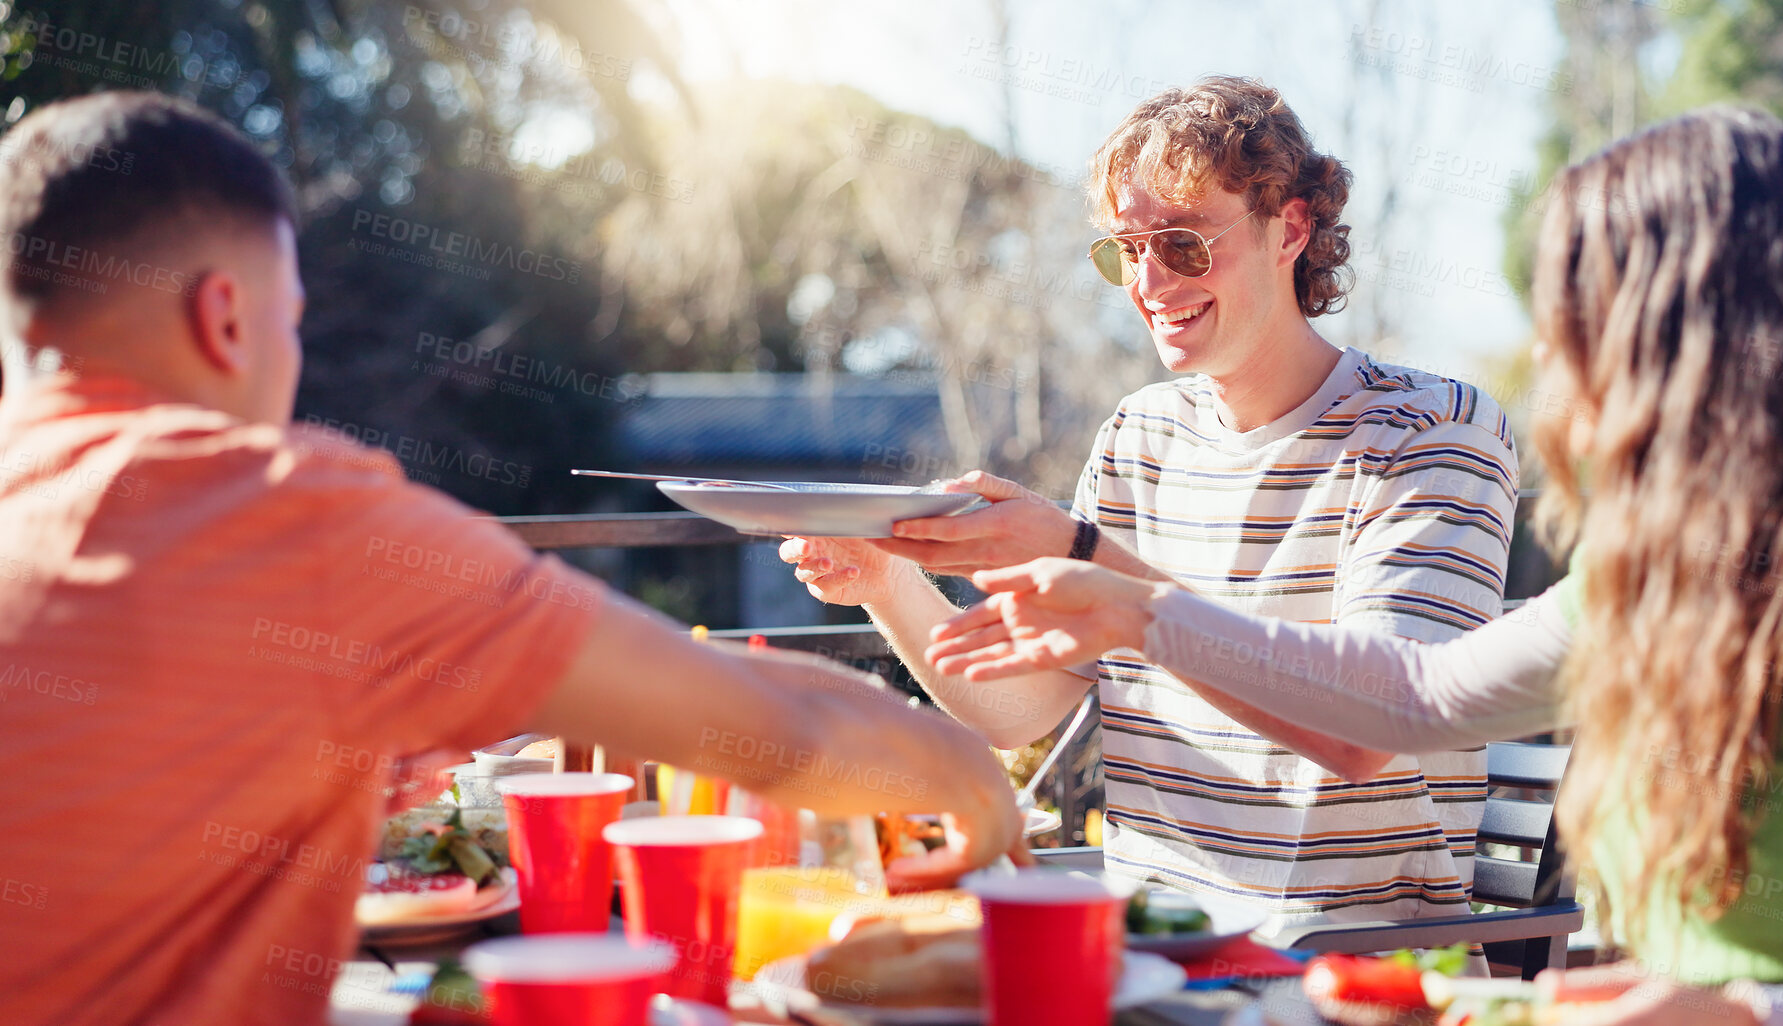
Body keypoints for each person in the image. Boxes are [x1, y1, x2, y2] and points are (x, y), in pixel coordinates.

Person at [0, 91, 1022, 1026]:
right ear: (225, 316)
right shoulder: (273, 511)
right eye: (291, 323)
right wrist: (966, 771)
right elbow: (772, 730)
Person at [925, 105, 1783, 1024]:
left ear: (1694, 350)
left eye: (1580, 319)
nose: (1553, 362)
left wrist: (1742, 1016)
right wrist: (1124, 608)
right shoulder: (1655, 585)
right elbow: (1412, 698)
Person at [783, 76, 1518, 941]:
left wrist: (1090, 563)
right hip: (1146, 956)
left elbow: (1375, 727)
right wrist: (887, 580)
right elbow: (1023, 709)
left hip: (1342, 969)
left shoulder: (1432, 432)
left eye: (1182, 244)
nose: (1149, 281)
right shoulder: (1142, 436)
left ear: (1292, 227)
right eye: (1126, 250)